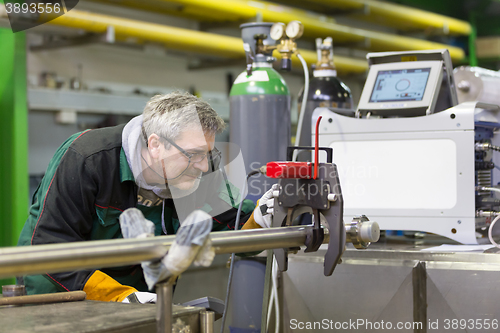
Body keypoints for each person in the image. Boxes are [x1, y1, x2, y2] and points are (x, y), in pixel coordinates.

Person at [17, 91, 274, 302]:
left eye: (207, 154)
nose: (204, 166)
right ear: (155, 145)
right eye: (193, 154)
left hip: (140, 300)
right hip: (60, 295)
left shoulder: (196, 170)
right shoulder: (87, 159)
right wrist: (122, 296)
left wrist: (262, 217)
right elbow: (50, 246)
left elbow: (235, 224)